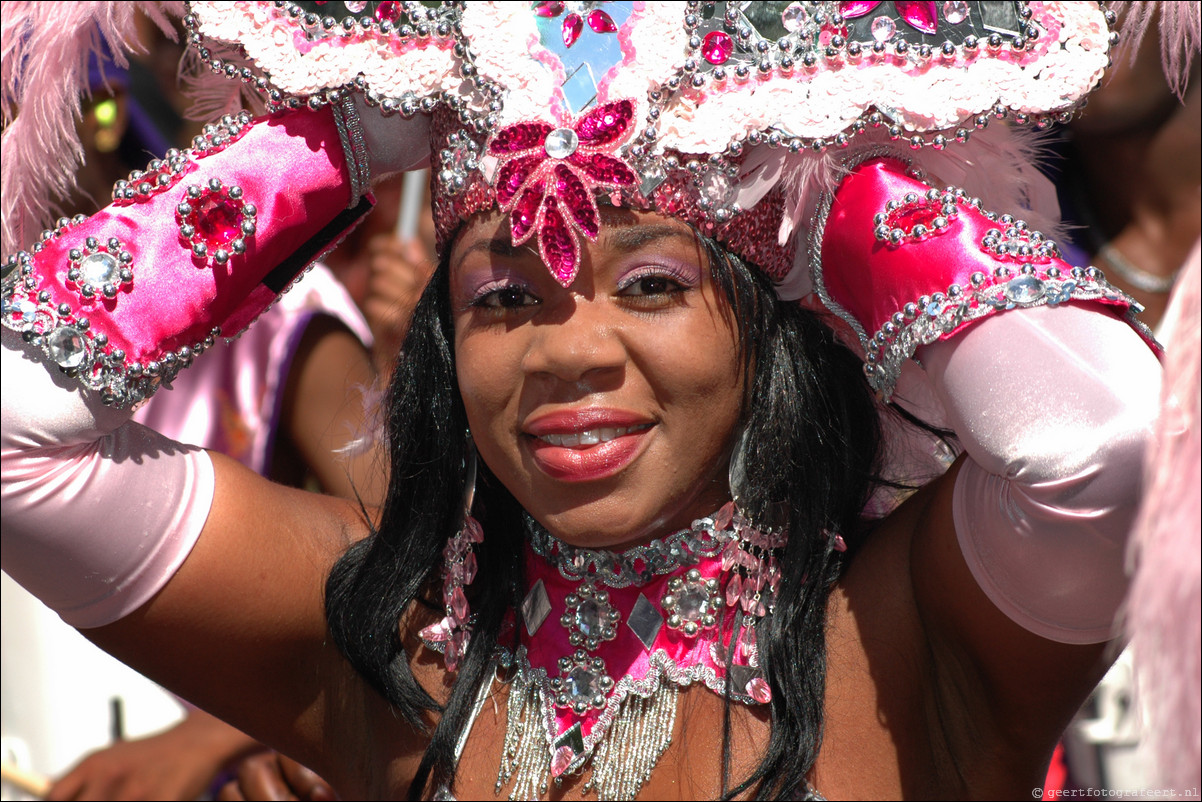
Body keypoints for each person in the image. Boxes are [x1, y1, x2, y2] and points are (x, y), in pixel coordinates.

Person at [0, 3, 1176, 799]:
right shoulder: (386, 653)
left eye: (653, 284)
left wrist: (812, 205)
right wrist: (340, 139)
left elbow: (1103, 443)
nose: (569, 351)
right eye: (504, 297)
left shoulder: (906, 642)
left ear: (769, 329)